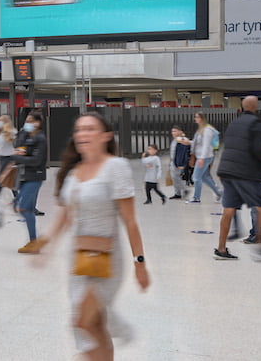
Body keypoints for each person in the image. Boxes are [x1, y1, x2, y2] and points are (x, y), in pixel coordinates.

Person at [29, 113, 148, 359]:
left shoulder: (116, 167)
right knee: (93, 324)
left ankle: (114, 336)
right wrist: (45, 245)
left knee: (81, 321)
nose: (82, 134)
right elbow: (64, 216)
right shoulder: (74, 173)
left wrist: (140, 264)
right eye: (79, 130)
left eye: (90, 129)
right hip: (79, 259)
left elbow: (130, 220)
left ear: (105, 136)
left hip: (107, 259)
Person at [213, 96, 261, 261]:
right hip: (244, 172)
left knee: (229, 210)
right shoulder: (254, 123)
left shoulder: (233, 123)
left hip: (226, 171)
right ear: (254, 106)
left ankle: (221, 248)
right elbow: (258, 149)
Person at [14, 113, 48, 254]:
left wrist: (18, 157)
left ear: (38, 123)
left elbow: (36, 161)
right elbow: (18, 145)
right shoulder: (28, 136)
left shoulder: (40, 139)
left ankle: (35, 241)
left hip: (35, 177)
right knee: (24, 208)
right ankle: (34, 241)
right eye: (26, 121)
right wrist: (23, 133)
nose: (26, 123)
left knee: (23, 208)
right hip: (25, 176)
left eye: (30, 121)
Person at [187, 113, 221, 203]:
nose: (195, 119)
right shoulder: (200, 130)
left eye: (197, 117)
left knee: (196, 177)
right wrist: (188, 142)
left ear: (202, 118)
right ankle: (220, 194)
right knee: (205, 177)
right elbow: (198, 143)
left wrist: (201, 158)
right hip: (202, 157)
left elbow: (206, 145)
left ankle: (196, 197)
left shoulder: (207, 130)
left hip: (205, 157)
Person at [0, 114, 17, 196]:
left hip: (10, 157)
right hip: (1, 157)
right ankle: (16, 195)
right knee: (6, 177)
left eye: (0, 120)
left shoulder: (12, 131)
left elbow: (16, 143)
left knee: (2, 176)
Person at [168, 126, 191, 200]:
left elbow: (187, 143)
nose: (173, 133)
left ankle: (183, 190)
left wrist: (181, 163)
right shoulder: (174, 140)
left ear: (180, 131)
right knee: (174, 177)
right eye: (172, 131)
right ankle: (178, 193)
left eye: (175, 131)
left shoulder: (182, 139)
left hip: (178, 162)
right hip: (173, 161)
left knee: (176, 177)